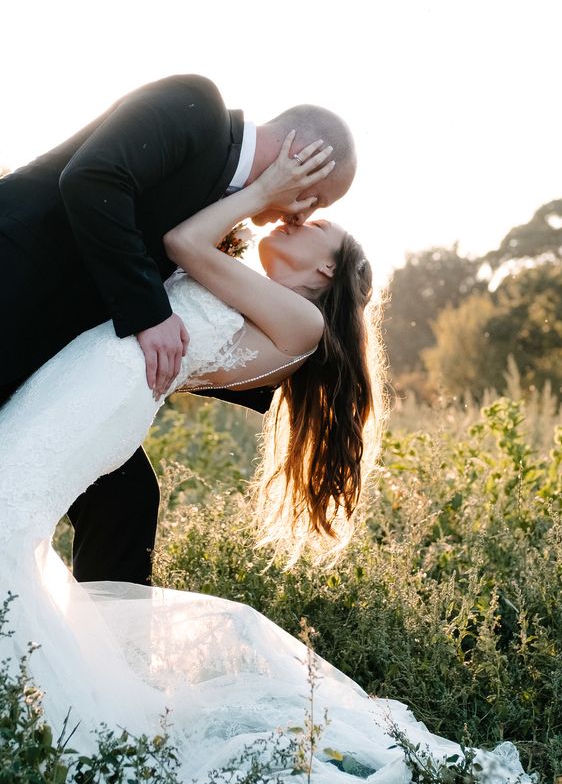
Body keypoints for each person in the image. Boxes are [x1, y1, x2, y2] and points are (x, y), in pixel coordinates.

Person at [0, 137, 535, 784]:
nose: (297, 222)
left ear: (324, 274)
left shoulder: (302, 319)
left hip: (99, 396)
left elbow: (185, 242)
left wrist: (266, 186)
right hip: (92, 384)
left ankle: (44, 724)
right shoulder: (264, 295)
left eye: (318, 230)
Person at [0, 73, 357, 586]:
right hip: (14, 288)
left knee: (128, 499)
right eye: (316, 199)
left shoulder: (230, 215)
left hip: (68, 359)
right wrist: (150, 315)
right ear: (302, 158)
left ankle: (106, 647)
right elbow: (93, 180)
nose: (302, 215)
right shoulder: (196, 105)